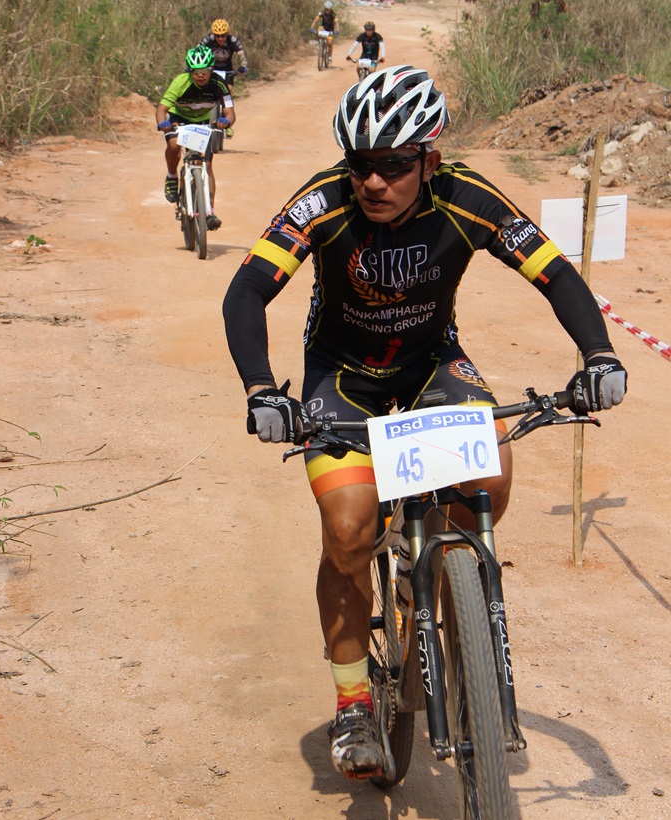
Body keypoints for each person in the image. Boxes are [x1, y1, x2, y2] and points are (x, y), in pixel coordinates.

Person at [222, 66, 627, 780]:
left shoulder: (467, 197)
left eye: (394, 166)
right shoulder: (324, 201)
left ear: (430, 160)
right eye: (360, 165)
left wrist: (598, 355)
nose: (373, 183)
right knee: (348, 528)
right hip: (342, 378)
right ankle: (354, 703)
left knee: (487, 479)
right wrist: (262, 390)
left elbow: (556, 273)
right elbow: (248, 287)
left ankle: (449, 602)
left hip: (432, 366)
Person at [156, 44, 235, 230]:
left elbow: (230, 111)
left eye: (204, 71)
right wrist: (163, 123)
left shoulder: (219, 84)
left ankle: (209, 212)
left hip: (202, 123)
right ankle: (172, 176)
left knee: (206, 164)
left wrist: (226, 122)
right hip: (178, 119)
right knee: (174, 146)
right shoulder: (180, 82)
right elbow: (161, 109)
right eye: (196, 72)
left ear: (211, 70)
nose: (200, 75)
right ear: (189, 71)